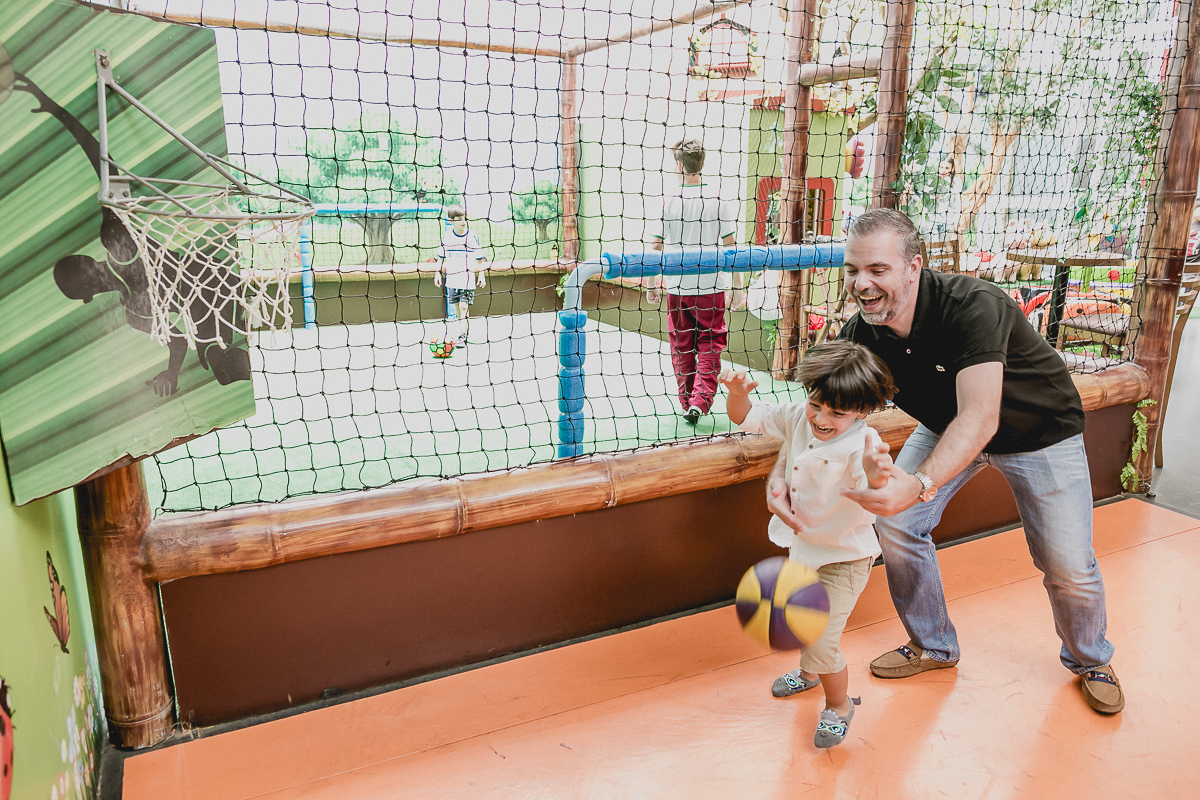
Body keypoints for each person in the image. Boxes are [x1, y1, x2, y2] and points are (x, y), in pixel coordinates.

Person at [768, 207, 1123, 715]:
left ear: (914, 267)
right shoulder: (862, 334)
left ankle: (1091, 660)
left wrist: (917, 484)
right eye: (852, 270)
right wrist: (781, 478)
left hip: (1040, 432)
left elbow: (981, 417)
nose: (861, 284)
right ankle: (932, 645)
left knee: (1066, 562)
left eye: (877, 270)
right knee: (896, 525)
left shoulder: (973, 306)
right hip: (946, 425)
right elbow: (818, 413)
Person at [719, 340, 896, 748]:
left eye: (837, 412)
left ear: (863, 411)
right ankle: (809, 673)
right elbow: (747, 417)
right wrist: (737, 394)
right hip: (804, 549)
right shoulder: (799, 416)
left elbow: (874, 488)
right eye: (817, 404)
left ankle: (839, 705)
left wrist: (876, 475)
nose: (821, 418)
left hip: (845, 558)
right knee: (800, 620)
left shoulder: (862, 446)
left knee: (821, 637)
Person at [646, 138, 738, 425]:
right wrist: (737, 286)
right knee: (710, 344)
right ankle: (700, 401)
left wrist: (651, 284)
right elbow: (731, 247)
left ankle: (688, 401)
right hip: (712, 287)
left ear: (678, 165)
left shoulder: (667, 199)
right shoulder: (719, 198)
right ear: (703, 163)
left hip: (677, 287)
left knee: (682, 346)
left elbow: (655, 246)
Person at [433, 205, 485, 346]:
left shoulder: (472, 236)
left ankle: (462, 336)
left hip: (467, 280)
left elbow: (481, 259)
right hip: (452, 280)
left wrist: (481, 274)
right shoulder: (447, 237)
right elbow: (440, 258)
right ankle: (463, 329)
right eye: (459, 219)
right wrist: (437, 273)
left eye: (464, 218)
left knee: (463, 306)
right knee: (457, 306)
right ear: (451, 221)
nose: (463, 221)